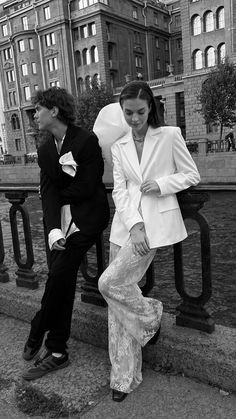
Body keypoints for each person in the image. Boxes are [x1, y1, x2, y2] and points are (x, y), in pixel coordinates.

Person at [94, 81, 200, 402]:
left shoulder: (169, 135)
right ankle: (124, 376)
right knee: (116, 303)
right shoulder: (120, 144)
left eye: (140, 111)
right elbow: (120, 190)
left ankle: (151, 315)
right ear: (122, 110)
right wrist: (134, 225)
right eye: (128, 113)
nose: (135, 118)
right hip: (125, 227)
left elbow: (191, 174)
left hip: (154, 226)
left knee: (108, 285)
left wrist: (163, 183)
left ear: (150, 107)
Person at [22, 87, 110, 381]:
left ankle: (39, 327)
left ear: (54, 111)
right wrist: (53, 230)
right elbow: (47, 195)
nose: (34, 115)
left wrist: (56, 196)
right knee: (61, 277)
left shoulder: (86, 140)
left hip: (87, 218)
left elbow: (87, 186)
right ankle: (57, 350)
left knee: (58, 275)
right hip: (61, 222)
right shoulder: (46, 150)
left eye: (37, 109)